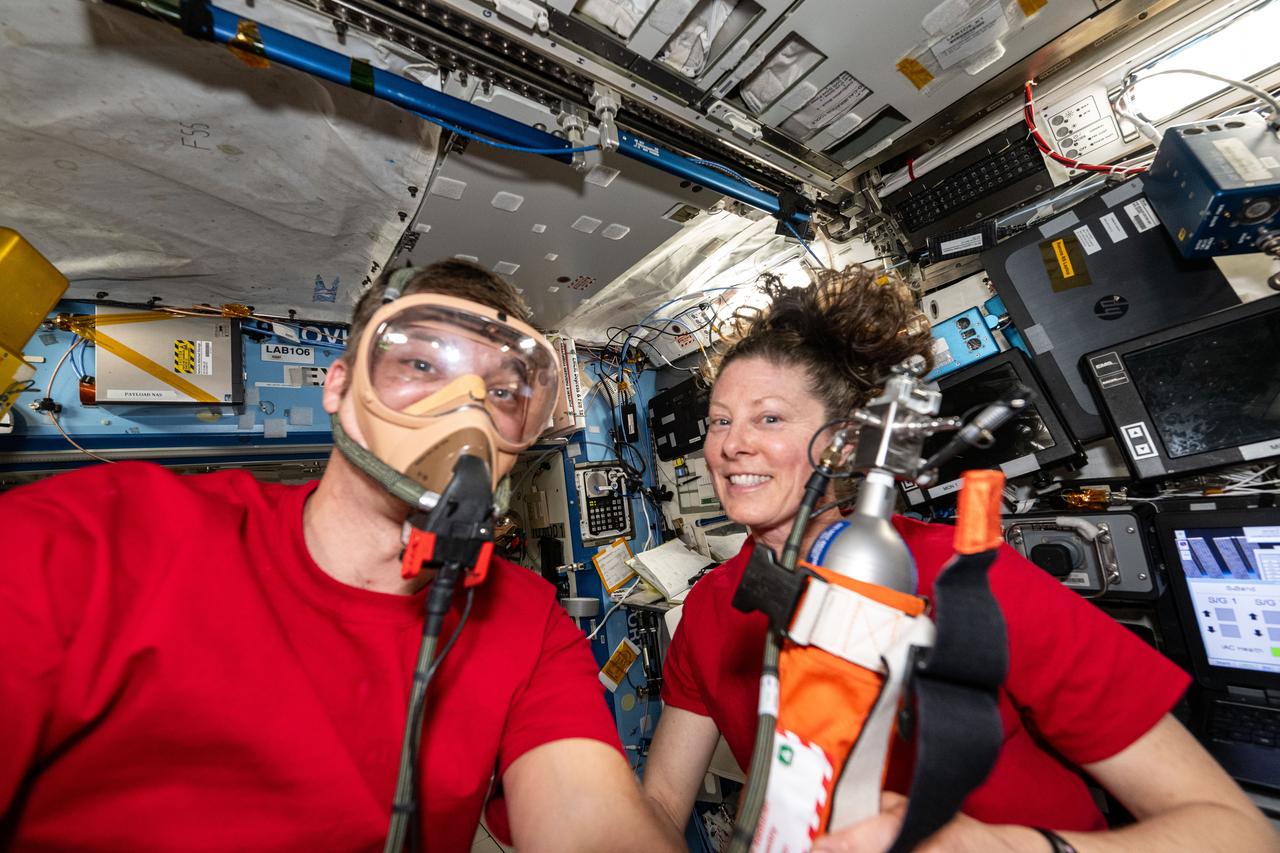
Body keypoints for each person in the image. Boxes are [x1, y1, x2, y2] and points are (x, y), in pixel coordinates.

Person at [0, 260, 682, 853]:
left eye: (503, 390)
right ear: (336, 387)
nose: (465, 405)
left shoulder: (528, 623)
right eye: (421, 365)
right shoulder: (106, 537)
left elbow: (592, 824)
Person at [641, 267, 1277, 852]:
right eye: (720, 422)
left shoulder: (975, 578)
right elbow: (665, 803)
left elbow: (1235, 831)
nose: (732, 445)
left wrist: (1007, 849)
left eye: (769, 418)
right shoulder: (707, 608)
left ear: (848, 442)